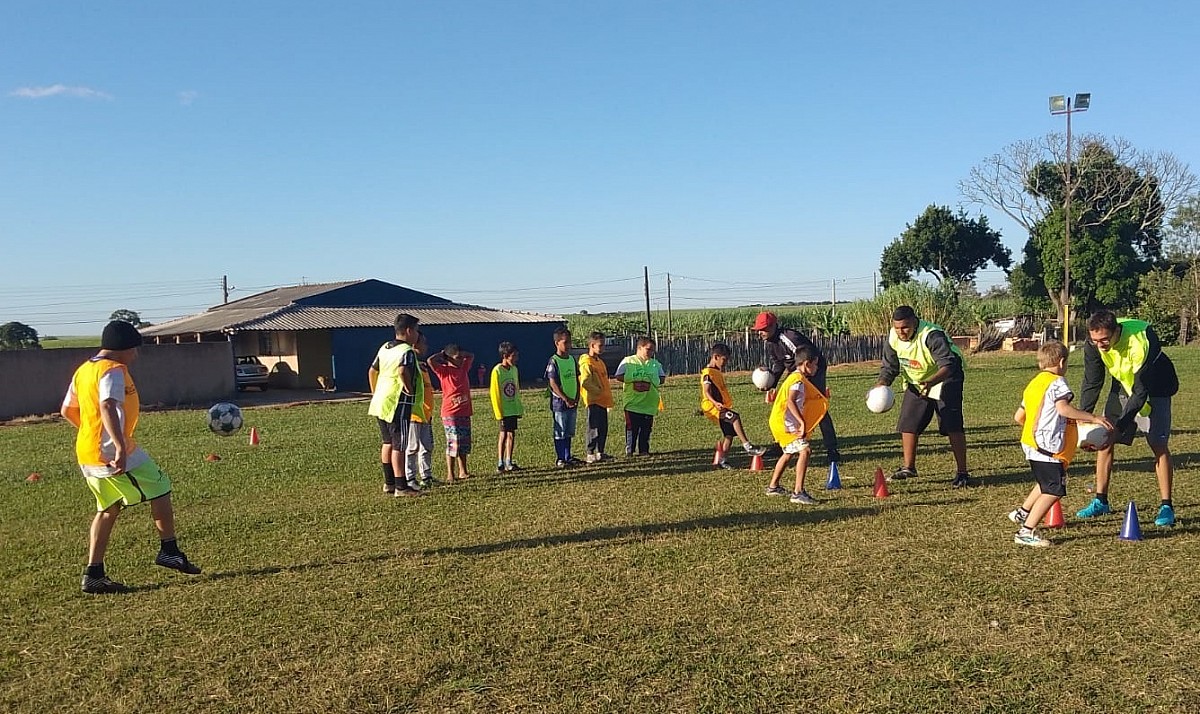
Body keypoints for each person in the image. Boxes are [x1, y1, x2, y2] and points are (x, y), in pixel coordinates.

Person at [61, 320, 202, 594]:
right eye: (134, 349)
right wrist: (119, 447)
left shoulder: (84, 370)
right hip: (112, 451)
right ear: (123, 348)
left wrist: (93, 432)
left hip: (88, 451)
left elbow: (67, 410)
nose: (136, 355)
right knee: (160, 486)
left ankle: (94, 574)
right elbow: (107, 405)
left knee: (108, 508)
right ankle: (169, 550)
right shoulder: (113, 370)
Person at [1075, 310, 1180, 527]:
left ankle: (1166, 506)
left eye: (1104, 339)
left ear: (1116, 332)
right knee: (1104, 439)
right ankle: (1100, 501)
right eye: (1096, 340)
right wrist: (1085, 419)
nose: (1100, 345)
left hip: (1155, 385)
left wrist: (1120, 427)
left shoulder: (1141, 340)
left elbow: (1140, 392)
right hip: (1123, 383)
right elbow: (1092, 380)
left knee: (1158, 443)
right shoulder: (1093, 342)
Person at [1010, 341, 1113, 547]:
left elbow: (1019, 416)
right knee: (1054, 489)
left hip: (1031, 443)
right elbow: (1064, 409)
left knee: (1045, 482)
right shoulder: (1057, 382)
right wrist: (1092, 418)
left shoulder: (1034, 383)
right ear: (1062, 362)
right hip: (1046, 446)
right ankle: (1026, 531)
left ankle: (1021, 513)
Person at [874, 305, 972, 488]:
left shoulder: (931, 335)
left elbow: (949, 364)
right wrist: (881, 385)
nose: (901, 332)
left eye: (905, 327)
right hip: (918, 380)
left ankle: (962, 473)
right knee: (908, 423)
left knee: (952, 424)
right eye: (897, 328)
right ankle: (908, 468)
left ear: (914, 321)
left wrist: (931, 382)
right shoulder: (893, 336)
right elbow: (890, 367)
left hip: (946, 378)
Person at [753, 311, 840, 464]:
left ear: (774, 326)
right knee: (782, 405)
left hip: (813, 370)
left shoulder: (789, 338)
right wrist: (770, 383)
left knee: (818, 407)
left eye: (764, 328)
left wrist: (807, 380)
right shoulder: (771, 343)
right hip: (796, 374)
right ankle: (782, 443)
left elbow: (806, 357)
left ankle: (832, 449)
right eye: (759, 329)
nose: (761, 332)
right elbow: (779, 364)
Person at [763, 346, 828, 505]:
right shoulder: (798, 381)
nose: (817, 367)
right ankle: (798, 492)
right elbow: (791, 401)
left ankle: (773, 487)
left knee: (788, 453)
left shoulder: (794, 377)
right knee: (805, 450)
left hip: (779, 422)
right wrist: (801, 422)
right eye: (815, 364)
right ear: (807, 364)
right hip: (787, 425)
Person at [368, 313, 423, 497]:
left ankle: (389, 483)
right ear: (408, 331)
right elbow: (402, 371)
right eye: (416, 330)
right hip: (397, 403)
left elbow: (372, 371)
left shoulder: (385, 347)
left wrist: (375, 392)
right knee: (399, 444)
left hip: (381, 402)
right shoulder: (406, 351)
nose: (417, 334)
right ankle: (401, 486)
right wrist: (408, 389)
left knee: (387, 442)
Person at [701, 343, 766, 469]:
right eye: (724, 360)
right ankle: (748, 446)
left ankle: (722, 460)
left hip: (720, 406)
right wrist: (715, 403)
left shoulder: (716, 372)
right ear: (715, 357)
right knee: (735, 418)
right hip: (712, 408)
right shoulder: (707, 373)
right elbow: (707, 392)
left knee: (729, 434)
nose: (725, 363)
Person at [428, 342, 475, 483]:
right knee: (453, 443)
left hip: (464, 411)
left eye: (461, 358)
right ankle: (450, 473)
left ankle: (463, 471)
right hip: (451, 413)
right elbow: (430, 361)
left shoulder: (464, 368)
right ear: (449, 358)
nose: (461, 360)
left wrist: (461, 354)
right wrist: (443, 355)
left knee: (464, 443)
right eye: (457, 358)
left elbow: (471, 356)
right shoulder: (444, 371)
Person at [615, 336, 666, 456]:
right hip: (633, 402)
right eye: (648, 349)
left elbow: (662, 378)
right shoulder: (629, 361)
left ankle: (644, 450)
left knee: (646, 428)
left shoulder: (655, 364)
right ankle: (630, 450)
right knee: (632, 428)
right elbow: (619, 376)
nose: (651, 353)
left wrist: (650, 381)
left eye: (653, 350)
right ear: (639, 348)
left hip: (649, 402)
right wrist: (635, 380)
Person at [546, 326, 582, 468]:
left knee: (569, 431)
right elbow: (553, 383)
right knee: (560, 430)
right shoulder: (554, 361)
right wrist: (565, 398)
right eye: (565, 342)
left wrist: (577, 396)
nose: (568, 345)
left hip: (573, 401)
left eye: (569, 342)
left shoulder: (572, 360)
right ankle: (560, 458)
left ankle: (568, 456)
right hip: (560, 403)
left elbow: (576, 379)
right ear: (557, 343)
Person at [405, 331, 436, 489]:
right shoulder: (411, 365)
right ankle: (410, 477)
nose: (426, 346)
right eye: (424, 343)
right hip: (414, 414)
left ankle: (427, 475)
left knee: (427, 445)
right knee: (412, 447)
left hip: (426, 413)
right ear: (415, 345)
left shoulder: (422, 366)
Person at [578, 331, 614, 463]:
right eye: (601, 345)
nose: (603, 348)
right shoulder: (587, 362)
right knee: (593, 427)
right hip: (593, 400)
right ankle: (590, 453)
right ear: (592, 345)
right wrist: (597, 391)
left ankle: (601, 452)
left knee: (603, 427)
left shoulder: (599, 361)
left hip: (603, 400)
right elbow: (585, 381)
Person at [490, 341, 524, 473]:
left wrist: (518, 408)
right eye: (513, 356)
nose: (516, 359)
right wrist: (499, 413)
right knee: (503, 435)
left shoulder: (514, 370)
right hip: (503, 410)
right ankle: (500, 462)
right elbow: (495, 393)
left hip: (512, 409)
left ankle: (509, 460)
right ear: (505, 355)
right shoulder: (497, 371)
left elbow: (516, 389)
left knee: (511, 435)